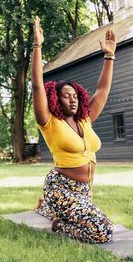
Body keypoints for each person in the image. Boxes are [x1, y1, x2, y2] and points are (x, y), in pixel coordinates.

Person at [31, 15, 116, 244]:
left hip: (84, 191)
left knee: (91, 219)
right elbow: (37, 86)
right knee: (103, 231)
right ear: (56, 100)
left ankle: (47, 208)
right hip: (60, 187)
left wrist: (109, 55)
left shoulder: (85, 120)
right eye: (66, 96)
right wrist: (37, 44)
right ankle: (58, 222)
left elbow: (102, 91)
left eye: (76, 95)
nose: (73, 99)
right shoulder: (49, 122)